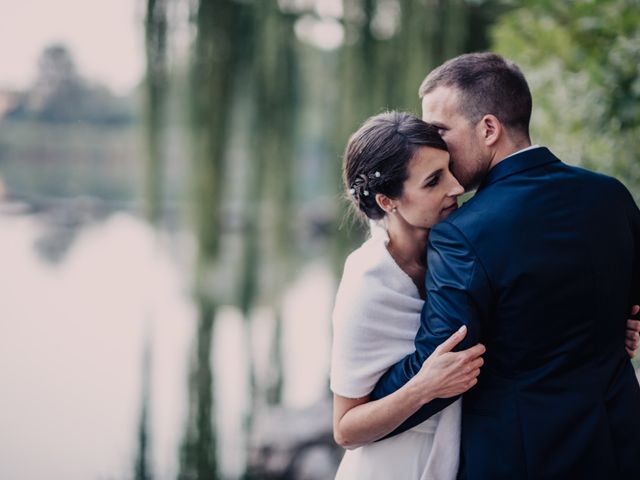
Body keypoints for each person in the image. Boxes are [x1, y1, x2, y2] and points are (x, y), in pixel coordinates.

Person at [369, 52, 640, 479]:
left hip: (523, 460)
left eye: (441, 130)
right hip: (623, 445)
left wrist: (366, 400)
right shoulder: (612, 195)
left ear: (489, 128)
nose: (433, 146)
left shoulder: (463, 233)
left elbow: (444, 363)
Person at [330, 112, 486, 479]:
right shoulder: (367, 281)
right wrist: (423, 387)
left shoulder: (456, 252)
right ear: (388, 202)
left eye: (449, 169)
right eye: (434, 181)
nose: (456, 187)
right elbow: (345, 428)